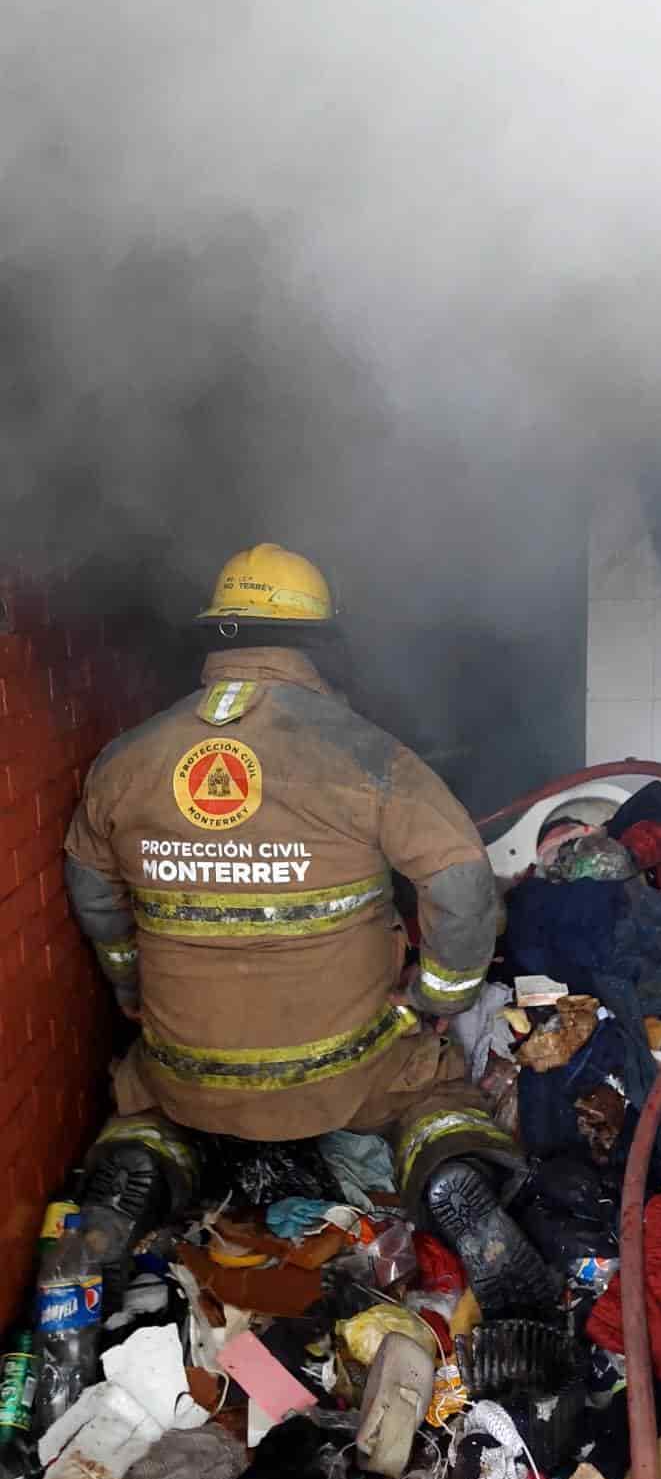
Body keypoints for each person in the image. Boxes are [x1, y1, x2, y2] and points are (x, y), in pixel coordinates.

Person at [64, 544, 553, 1309]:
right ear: (320, 644)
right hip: (346, 1070)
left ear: (216, 637)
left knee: (147, 1099)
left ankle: (136, 1173)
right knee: (429, 1091)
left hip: (191, 1069)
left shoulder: (125, 759)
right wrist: (437, 997)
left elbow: (92, 894)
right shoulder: (364, 754)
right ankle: (453, 1169)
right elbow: (460, 884)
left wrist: (128, 983)